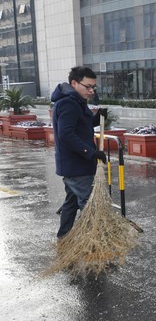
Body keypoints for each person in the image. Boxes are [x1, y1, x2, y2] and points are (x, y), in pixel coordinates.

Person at [52, 66, 107, 239]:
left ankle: (64, 237)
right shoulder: (68, 103)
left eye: (93, 87)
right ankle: (93, 242)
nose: (91, 91)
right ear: (74, 83)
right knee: (89, 204)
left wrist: (96, 118)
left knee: (71, 202)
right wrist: (90, 153)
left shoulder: (75, 101)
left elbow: (80, 127)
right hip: (77, 165)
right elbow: (66, 135)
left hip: (74, 165)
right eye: (88, 86)